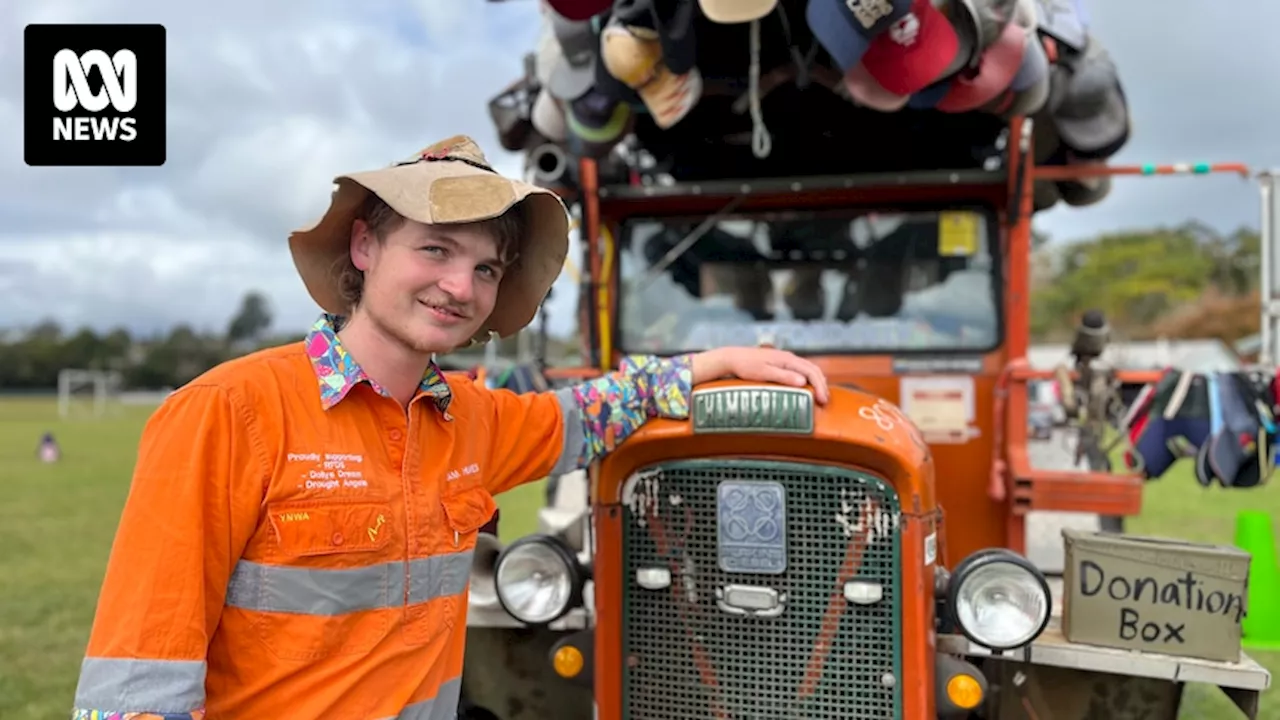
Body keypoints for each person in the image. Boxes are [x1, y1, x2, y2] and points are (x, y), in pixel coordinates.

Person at [71, 135, 829, 720]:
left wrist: (707, 363)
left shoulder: (474, 419)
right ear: (365, 247)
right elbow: (139, 683)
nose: (459, 287)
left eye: (487, 268)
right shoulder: (227, 413)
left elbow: (590, 414)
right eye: (434, 249)